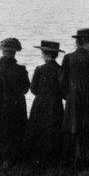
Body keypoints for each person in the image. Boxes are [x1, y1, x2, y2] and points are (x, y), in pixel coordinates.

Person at [60, 28, 89, 169]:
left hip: (73, 97)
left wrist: (68, 96)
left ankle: (71, 159)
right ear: (86, 42)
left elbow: (62, 81)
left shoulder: (68, 58)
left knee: (73, 127)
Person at [0, 38, 30, 168]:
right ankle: (11, 160)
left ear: (2, 52)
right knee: (14, 133)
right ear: (15, 53)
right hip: (16, 107)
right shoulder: (21, 70)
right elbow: (26, 88)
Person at [25, 40, 65, 168]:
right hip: (56, 103)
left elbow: (33, 89)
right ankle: (54, 157)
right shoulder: (60, 70)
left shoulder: (40, 69)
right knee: (54, 128)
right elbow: (63, 90)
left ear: (45, 54)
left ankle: (38, 158)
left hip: (40, 103)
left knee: (39, 129)